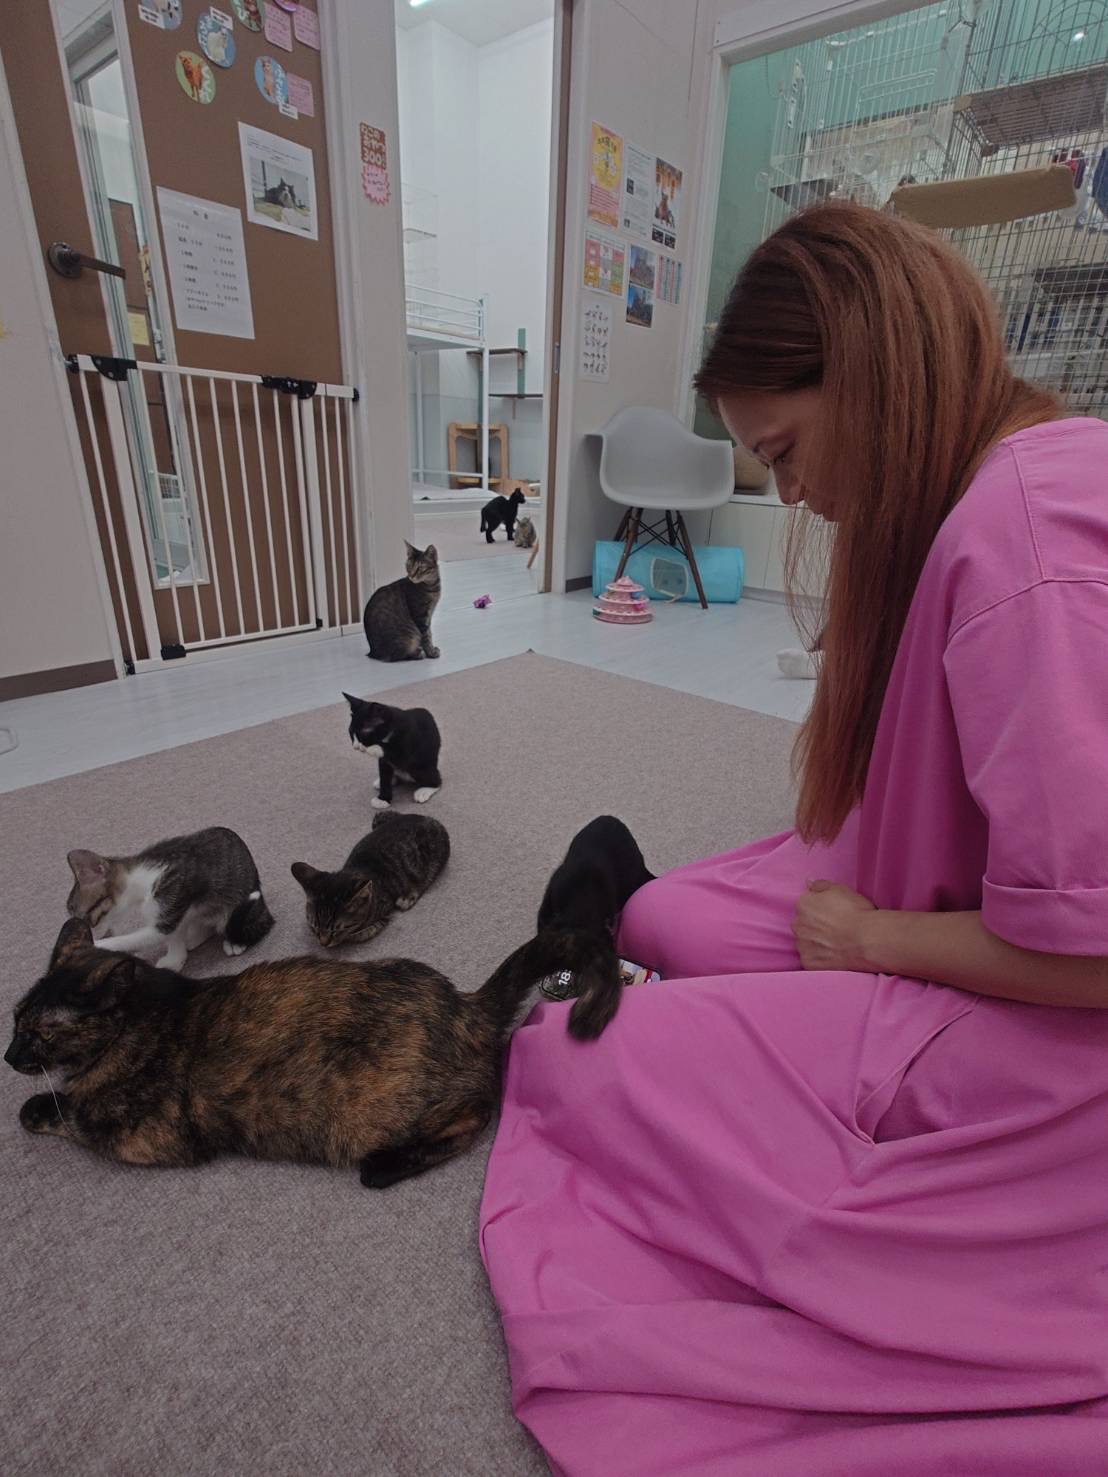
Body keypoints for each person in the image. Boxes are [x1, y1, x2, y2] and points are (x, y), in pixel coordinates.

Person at [479, 202, 1108, 1475]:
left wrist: (871, 941)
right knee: (666, 915)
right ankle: (686, 938)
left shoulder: (1024, 544)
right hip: (961, 916)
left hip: (1051, 1036)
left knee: (569, 1054)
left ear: (868, 376)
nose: (792, 493)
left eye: (785, 451)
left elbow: (1089, 959)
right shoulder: (1009, 476)